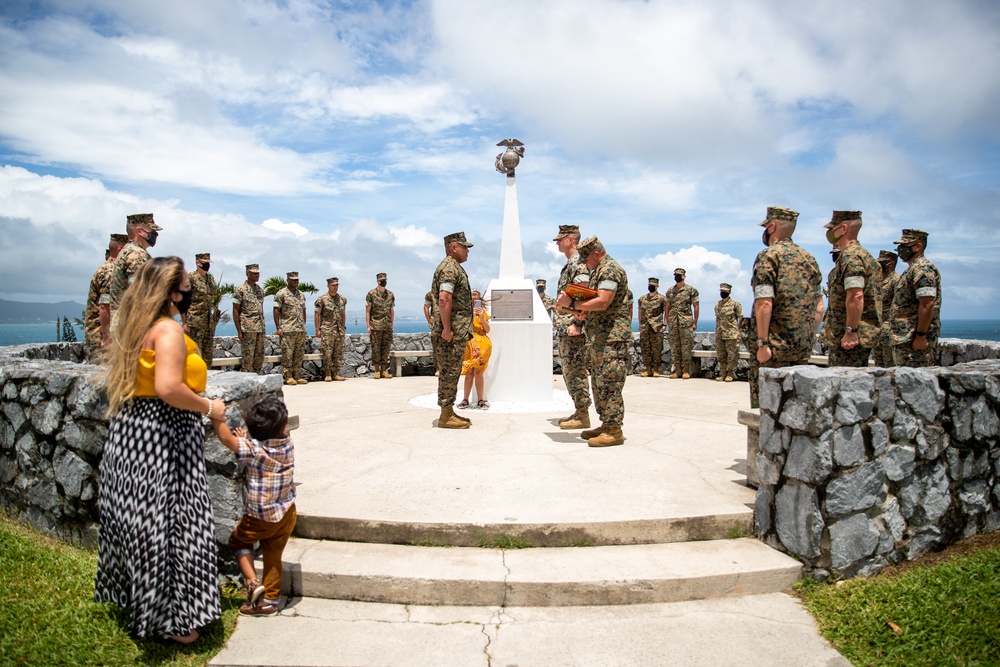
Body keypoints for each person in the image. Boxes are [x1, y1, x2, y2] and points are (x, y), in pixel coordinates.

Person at [95, 256, 224, 644]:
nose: (191, 293)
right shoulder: (166, 330)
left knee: (145, 524)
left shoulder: (137, 325)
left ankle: (146, 603)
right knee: (175, 525)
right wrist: (209, 407)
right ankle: (174, 618)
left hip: (135, 431)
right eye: (187, 287)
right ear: (171, 292)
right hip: (164, 437)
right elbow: (169, 388)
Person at [212, 395, 296, 617]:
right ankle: (269, 601)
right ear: (284, 427)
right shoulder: (287, 444)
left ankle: (251, 582)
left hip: (260, 516)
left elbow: (226, 439)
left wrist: (216, 417)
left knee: (239, 540)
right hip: (287, 512)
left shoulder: (253, 450)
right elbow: (264, 440)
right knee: (273, 554)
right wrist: (247, 439)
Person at [556, 236, 630, 447]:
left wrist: (571, 302)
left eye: (586, 257)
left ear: (596, 253)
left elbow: (603, 301)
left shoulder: (609, 270)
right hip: (599, 338)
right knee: (599, 383)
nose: (584, 262)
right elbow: (590, 302)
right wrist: (572, 309)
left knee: (610, 384)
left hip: (612, 338)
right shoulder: (599, 270)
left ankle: (614, 430)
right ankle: (607, 424)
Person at [750, 206, 823, 409]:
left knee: (767, 412)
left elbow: (764, 302)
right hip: (801, 350)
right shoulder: (809, 259)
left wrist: (762, 343)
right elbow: (818, 306)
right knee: (795, 410)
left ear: (771, 227)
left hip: (773, 351)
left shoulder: (768, 256)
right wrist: (808, 339)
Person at [822, 211, 882, 367]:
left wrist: (850, 332)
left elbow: (856, 295)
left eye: (832, 227)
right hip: (849, 338)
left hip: (849, 341)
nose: (829, 232)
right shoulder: (862, 255)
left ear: (843, 228)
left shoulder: (852, 256)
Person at [431, 231, 475, 429]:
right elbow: (444, 299)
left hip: (455, 331)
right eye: (464, 247)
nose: (467, 251)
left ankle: (448, 411)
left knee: (452, 371)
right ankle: (446, 415)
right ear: (453, 247)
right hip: (450, 332)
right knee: (449, 371)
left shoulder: (454, 267)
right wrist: (447, 329)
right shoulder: (449, 268)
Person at [552, 224, 592, 430]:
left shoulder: (578, 263)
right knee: (569, 371)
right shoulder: (570, 264)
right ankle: (579, 411)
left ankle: (583, 414)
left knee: (575, 370)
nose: (557, 242)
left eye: (560, 239)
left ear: (570, 240)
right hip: (566, 327)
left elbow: (583, 292)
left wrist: (577, 322)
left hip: (573, 328)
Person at [889, 229, 941, 367]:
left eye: (904, 246)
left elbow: (927, 304)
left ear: (917, 247)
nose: (900, 250)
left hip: (913, 341)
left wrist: (920, 335)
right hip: (904, 339)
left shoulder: (923, 270)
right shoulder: (911, 270)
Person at [109, 213, 161, 329]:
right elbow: (140, 295)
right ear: (139, 231)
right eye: (151, 230)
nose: (155, 234)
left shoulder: (131, 251)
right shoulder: (136, 255)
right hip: (133, 328)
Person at [85, 233, 127, 351]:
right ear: (120, 250)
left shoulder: (113, 269)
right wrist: (107, 338)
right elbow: (105, 306)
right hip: (103, 342)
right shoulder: (110, 271)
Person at [457, 290, 492, 410]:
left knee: (478, 373)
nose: (473, 303)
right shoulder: (464, 314)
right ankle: (465, 399)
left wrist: (481, 317)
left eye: (476, 301)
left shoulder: (483, 313)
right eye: (471, 301)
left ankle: (480, 400)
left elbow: (487, 329)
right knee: (468, 373)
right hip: (469, 344)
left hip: (481, 345)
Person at [274, 272, 307, 385]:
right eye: (293, 280)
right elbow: (276, 311)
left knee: (298, 354)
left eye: (297, 280)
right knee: (287, 354)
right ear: (287, 280)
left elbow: (303, 310)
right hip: (287, 329)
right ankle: (288, 376)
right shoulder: (281, 294)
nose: (295, 282)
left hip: (299, 329)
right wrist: (278, 327)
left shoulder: (301, 295)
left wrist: (304, 324)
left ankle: (296, 375)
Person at [665, 268, 699, 379]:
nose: (677, 277)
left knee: (686, 347)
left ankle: (686, 370)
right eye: (675, 275)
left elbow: (696, 307)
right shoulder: (670, 291)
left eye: (679, 275)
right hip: (674, 322)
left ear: (684, 276)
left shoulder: (691, 290)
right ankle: (678, 370)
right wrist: (666, 321)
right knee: (675, 347)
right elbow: (667, 307)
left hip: (686, 322)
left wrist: (695, 322)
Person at [185, 253, 218, 361]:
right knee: (195, 354)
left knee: (207, 356)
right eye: (204, 263)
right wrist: (185, 322)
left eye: (208, 263)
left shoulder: (210, 279)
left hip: (208, 322)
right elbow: (183, 300)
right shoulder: (191, 278)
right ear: (197, 263)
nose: (207, 265)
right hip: (194, 322)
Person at [233, 263, 266, 374]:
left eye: (258, 273)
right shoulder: (241, 290)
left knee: (259, 356)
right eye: (254, 273)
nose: (257, 275)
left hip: (260, 329)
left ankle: (257, 379)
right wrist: (239, 331)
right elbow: (236, 311)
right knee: (248, 358)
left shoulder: (260, 290)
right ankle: (247, 380)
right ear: (247, 274)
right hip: (248, 329)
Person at [314, 277, 348, 382]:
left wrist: (343, 326)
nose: (335, 287)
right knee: (327, 352)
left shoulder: (342, 299)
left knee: (338, 352)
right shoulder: (322, 299)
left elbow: (343, 313)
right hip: (327, 329)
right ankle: (327, 373)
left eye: (337, 285)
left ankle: (335, 373)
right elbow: (317, 315)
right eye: (333, 285)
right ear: (328, 286)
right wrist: (317, 330)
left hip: (339, 330)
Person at [873, 250, 900, 367]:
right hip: (878, 328)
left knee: (889, 365)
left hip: (890, 329)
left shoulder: (896, 280)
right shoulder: (878, 281)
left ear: (891, 264)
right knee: (879, 365)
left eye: (882, 263)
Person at [366, 272, 396, 378]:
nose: (384, 281)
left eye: (385, 280)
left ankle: (384, 370)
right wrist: (368, 326)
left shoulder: (390, 295)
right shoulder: (371, 294)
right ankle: (377, 370)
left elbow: (391, 310)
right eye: (382, 280)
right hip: (375, 325)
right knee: (376, 348)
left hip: (387, 326)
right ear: (377, 281)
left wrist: (392, 325)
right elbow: (368, 311)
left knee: (385, 349)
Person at [637, 277, 666, 377]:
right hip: (645, 327)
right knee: (645, 348)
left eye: (653, 285)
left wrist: (664, 324)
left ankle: (656, 369)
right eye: (650, 285)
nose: (651, 287)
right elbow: (640, 311)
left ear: (657, 286)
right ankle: (648, 369)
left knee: (657, 348)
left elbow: (666, 312)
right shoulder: (642, 299)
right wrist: (640, 323)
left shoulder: (662, 298)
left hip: (656, 326)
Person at [714, 283, 743, 382]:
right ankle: (723, 373)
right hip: (720, 333)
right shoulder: (718, 304)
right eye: (721, 291)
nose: (723, 293)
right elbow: (717, 318)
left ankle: (730, 373)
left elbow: (740, 318)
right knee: (721, 354)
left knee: (732, 355)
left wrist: (740, 331)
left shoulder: (735, 304)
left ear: (729, 292)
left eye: (725, 292)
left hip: (731, 333)